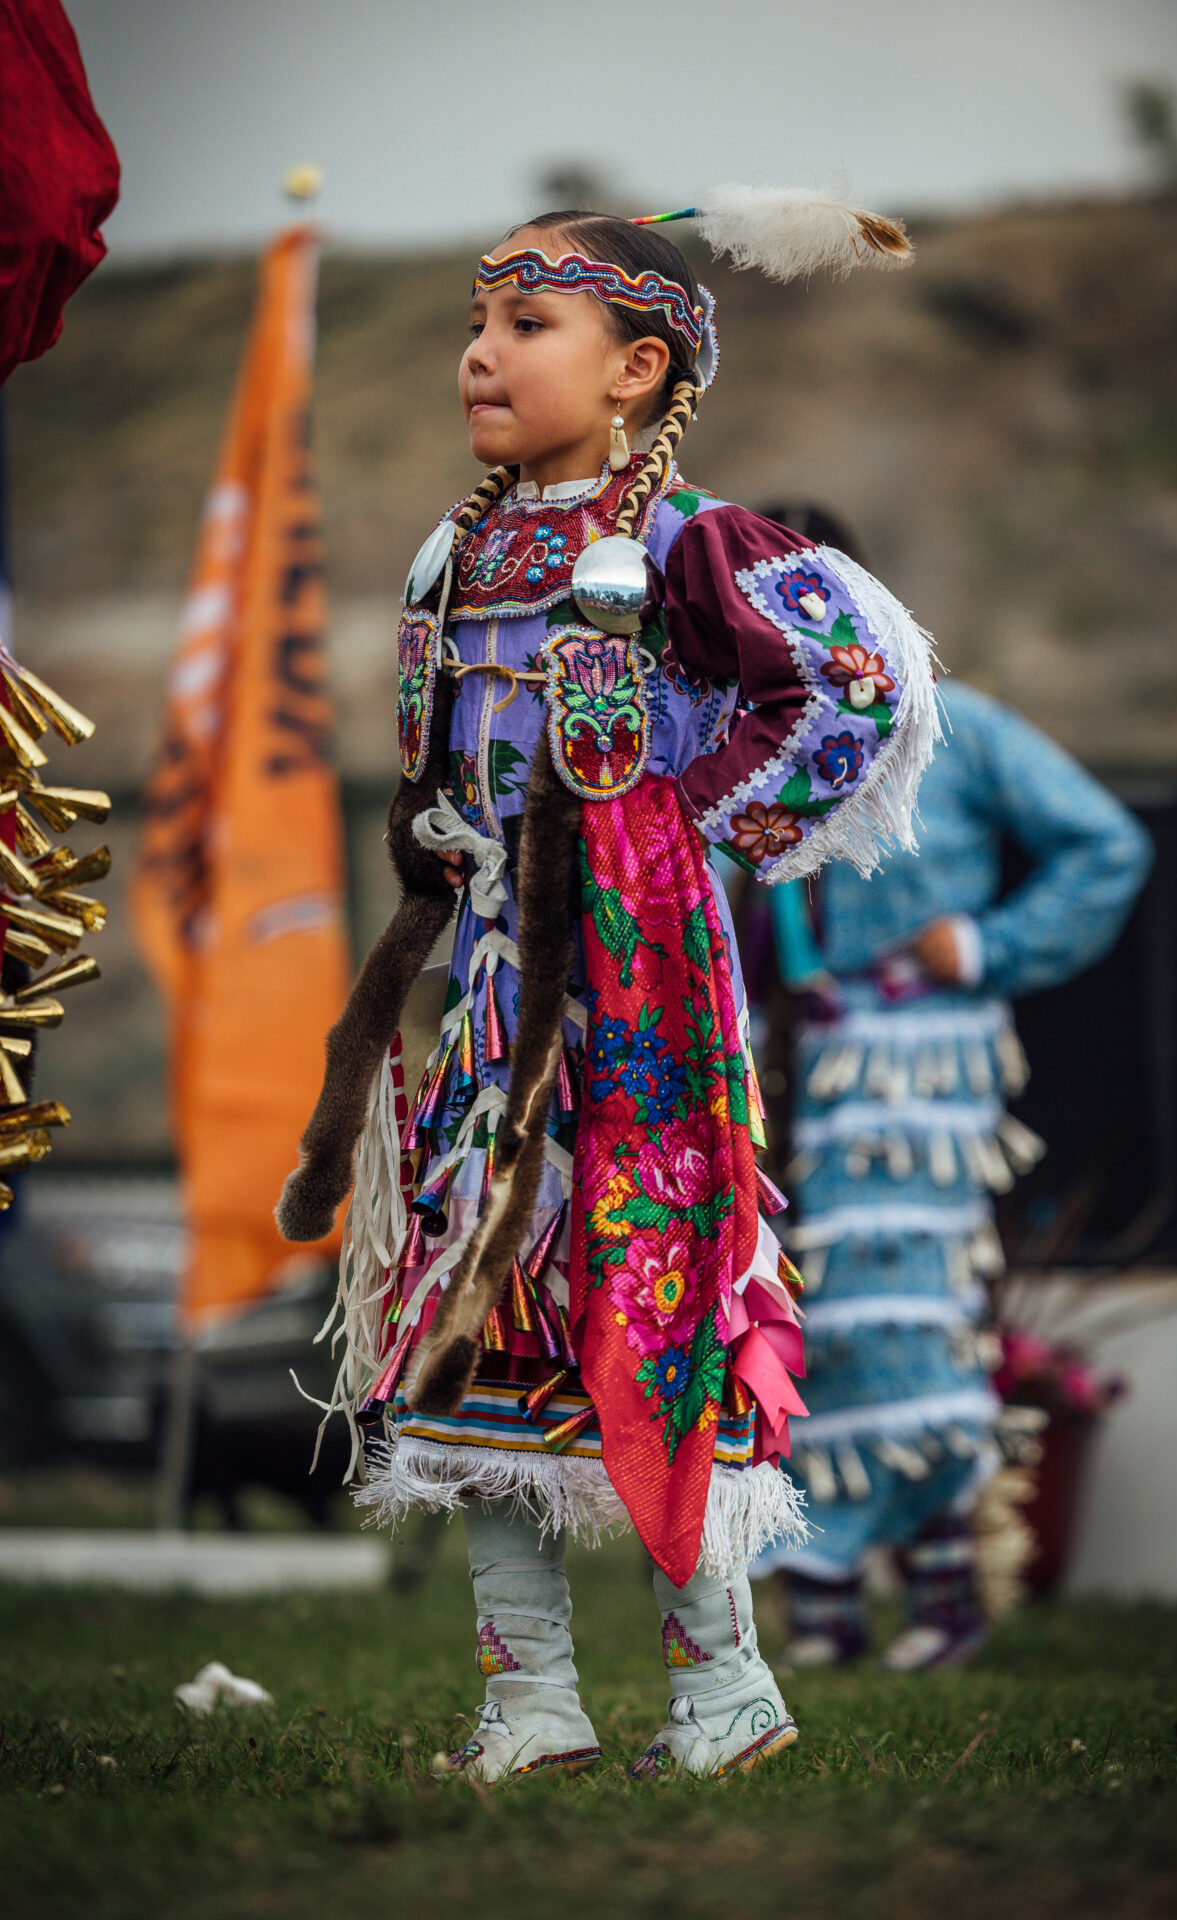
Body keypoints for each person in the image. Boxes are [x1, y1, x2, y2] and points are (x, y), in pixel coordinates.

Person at [280, 197, 938, 1779]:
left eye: (529, 326)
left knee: (651, 1309)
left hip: (639, 1011)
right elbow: (448, 748)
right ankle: (531, 1708)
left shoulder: (687, 545)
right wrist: (440, 833)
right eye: (479, 320)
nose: (482, 352)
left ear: (640, 367)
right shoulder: (462, 548)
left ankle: (725, 1698)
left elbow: (859, 679)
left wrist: (683, 812)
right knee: (472, 1325)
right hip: (497, 1002)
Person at [751, 504, 1153, 1672]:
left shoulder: (956, 730)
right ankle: (821, 1589)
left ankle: (939, 1586)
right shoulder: (743, 753)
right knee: (801, 1316)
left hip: (921, 1065)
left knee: (904, 1309)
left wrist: (984, 945)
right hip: (782, 1061)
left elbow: (1104, 845)